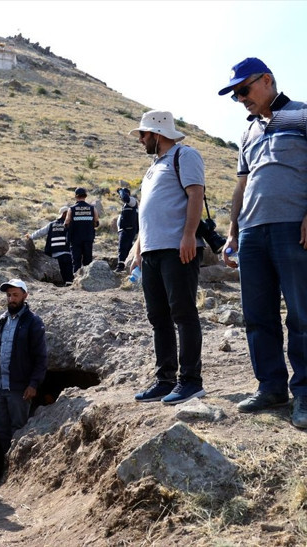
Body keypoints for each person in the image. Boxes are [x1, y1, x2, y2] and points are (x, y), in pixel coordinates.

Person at [218, 58, 307, 429]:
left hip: (295, 228)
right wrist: (232, 233)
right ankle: (271, 387)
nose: (240, 99)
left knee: (301, 315)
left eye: (244, 90)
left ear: (266, 80)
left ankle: (305, 393)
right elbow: (242, 186)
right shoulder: (248, 132)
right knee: (257, 315)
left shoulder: (305, 113)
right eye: (235, 95)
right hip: (252, 233)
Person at [128, 110, 206, 405]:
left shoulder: (184, 156)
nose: (140, 140)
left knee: (183, 313)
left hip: (178, 248)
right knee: (158, 317)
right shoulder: (153, 167)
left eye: (143, 135)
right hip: (151, 252)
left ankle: (190, 381)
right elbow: (146, 214)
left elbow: (196, 194)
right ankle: (165, 380)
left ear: (157, 134)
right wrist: (138, 251)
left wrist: (188, 234)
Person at [0, 279, 47, 453]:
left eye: (15, 295)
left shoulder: (33, 322)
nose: (11, 299)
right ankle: (6, 469)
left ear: (25, 295)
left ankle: (15, 472)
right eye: (9, 295)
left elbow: (41, 358)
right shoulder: (2, 320)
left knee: (18, 431)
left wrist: (33, 384)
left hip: (19, 389)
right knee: (0, 430)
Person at [26, 206, 74, 286]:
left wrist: (31, 236)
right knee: (68, 269)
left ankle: (64, 283)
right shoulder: (70, 225)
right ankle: (68, 282)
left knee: (62, 269)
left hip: (54, 253)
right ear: (65, 214)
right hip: (67, 252)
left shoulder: (52, 224)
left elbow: (40, 232)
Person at [64, 187, 99, 274]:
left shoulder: (71, 209)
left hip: (75, 239)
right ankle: (88, 278)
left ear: (76, 196)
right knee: (87, 260)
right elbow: (96, 223)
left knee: (76, 261)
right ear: (85, 196)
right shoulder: (92, 208)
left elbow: (66, 223)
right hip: (88, 238)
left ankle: (76, 280)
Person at [115, 187, 139, 272]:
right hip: (126, 229)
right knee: (127, 248)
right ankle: (128, 266)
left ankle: (120, 266)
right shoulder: (128, 204)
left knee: (122, 247)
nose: (120, 197)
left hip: (128, 229)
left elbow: (125, 197)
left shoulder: (132, 201)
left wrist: (120, 190)